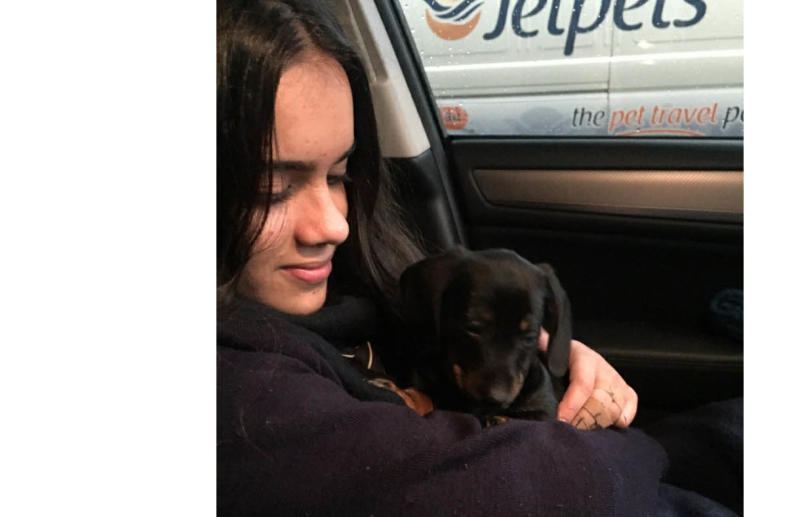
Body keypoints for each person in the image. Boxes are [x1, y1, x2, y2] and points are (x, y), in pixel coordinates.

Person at [217, 0, 741, 515]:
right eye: (271, 188)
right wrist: (644, 449)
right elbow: (530, 491)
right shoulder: (245, 398)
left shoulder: (358, 286)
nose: (335, 224)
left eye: (338, 176)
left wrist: (560, 359)